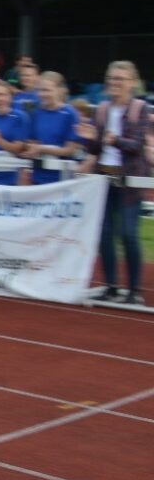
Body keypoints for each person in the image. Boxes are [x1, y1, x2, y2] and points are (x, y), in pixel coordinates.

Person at [76, 61, 148, 304]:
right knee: (104, 233)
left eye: (120, 79)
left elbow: (137, 146)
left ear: (132, 82)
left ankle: (134, 290)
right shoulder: (103, 109)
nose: (115, 83)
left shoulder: (140, 108)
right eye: (112, 79)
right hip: (104, 176)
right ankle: (111, 286)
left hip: (129, 178)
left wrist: (114, 140)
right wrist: (89, 140)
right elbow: (97, 147)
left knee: (128, 233)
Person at [20, 72, 80, 185]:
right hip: (37, 176)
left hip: (61, 178)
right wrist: (29, 149)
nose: (42, 94)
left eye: (47, 90)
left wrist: (41, 149)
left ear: (59, 91)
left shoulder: (70, 114)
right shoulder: (35, 113)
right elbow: (31, 142)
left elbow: (70, 150)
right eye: (39, 90)